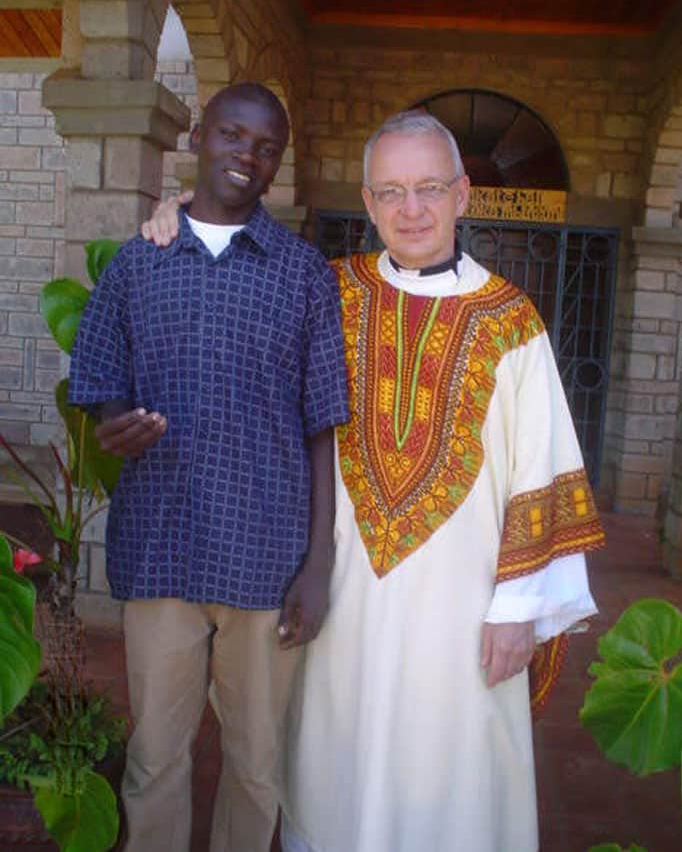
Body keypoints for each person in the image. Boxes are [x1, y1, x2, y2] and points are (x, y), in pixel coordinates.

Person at [144, 110, 604, 852]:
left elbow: (541, 470)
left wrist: (519, 608)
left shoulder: (512, 322)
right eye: (392, 192)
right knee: (333, 775)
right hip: (338, 605)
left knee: (447, 786)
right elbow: (222, 269)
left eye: (428, 188)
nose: (411, 209)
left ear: (462, 195)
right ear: (368, 202)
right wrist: (172, 216)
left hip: (463, 620)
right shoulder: (321, 289)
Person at [68, 82, 349, 852]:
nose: (246, 156)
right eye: (232, 135)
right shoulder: (138, 264)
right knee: (155, 760)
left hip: (266, 559)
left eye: (265, 148)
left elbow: (324, 424)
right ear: (198, 137)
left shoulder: (303, 275)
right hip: (162, 547)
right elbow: (98, 381)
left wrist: (318, 561)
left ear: (276, 165)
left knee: (258, 767)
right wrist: (114, 424)